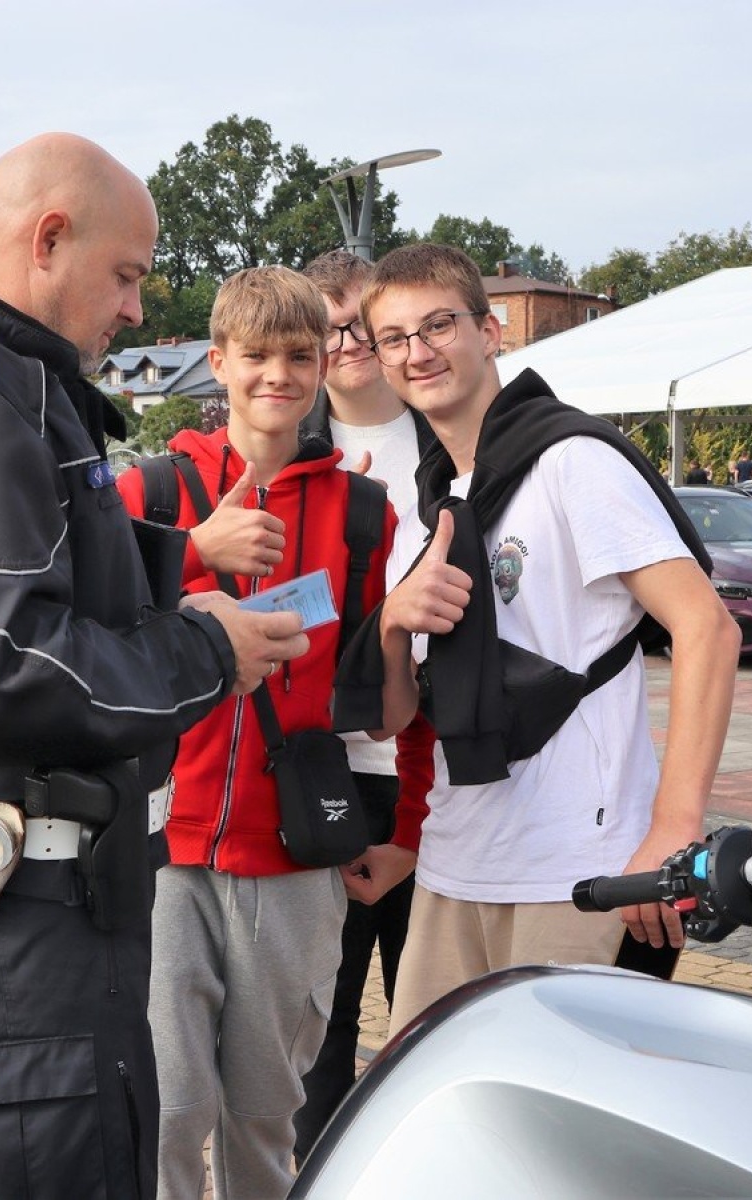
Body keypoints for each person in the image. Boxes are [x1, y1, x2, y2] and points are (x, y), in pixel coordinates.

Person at [0, 133, 309, 1199]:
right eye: (125, 276)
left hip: (17, 893)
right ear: (48, 240)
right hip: (20, 907)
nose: (132, 309)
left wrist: (169, 570)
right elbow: (6, 666)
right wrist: (206, 648)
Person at [342, 244, 739, 1038]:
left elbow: (707, 627)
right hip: (458, 860)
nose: (419, 352)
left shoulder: (570, 462)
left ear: (492, 333)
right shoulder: (431, 502)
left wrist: (673, 828)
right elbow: (395, 715)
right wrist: (390, 621)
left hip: (574, 864)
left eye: (440, 325)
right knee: (435, 1109)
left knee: (562, 1121)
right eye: (395, 337)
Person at [116, 265, 410, 1199]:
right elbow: (92, 632)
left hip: (292, 855)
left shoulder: (360, 511)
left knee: (264, 1111)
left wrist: (398, 821)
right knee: (165, 1108)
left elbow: (380, 705)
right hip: (162, 846)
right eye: (256, 356)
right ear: (218, 362)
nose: (276, 375)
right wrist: (194, 556)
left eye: (297, 354)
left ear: (325, 363)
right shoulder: (153, 494)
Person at [291, 249, 434, 1164]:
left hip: (437, 786)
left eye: (361, 325)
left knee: (430, 1036)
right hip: (317, 782)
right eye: (326, 326)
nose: (345, 344)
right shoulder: (281, 453)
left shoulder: (455, 451)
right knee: (316, 1048)